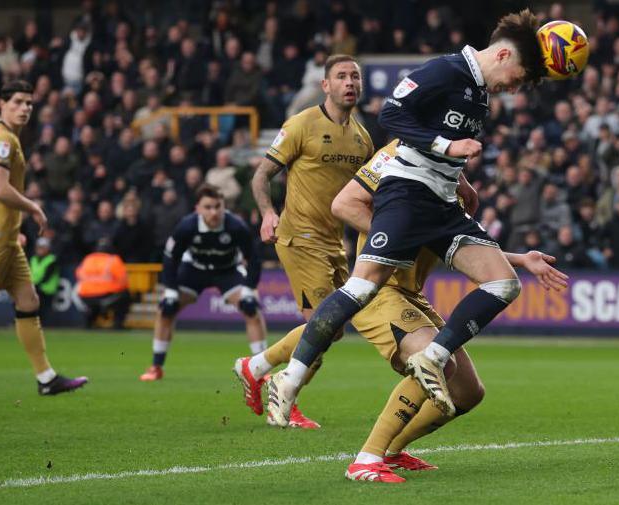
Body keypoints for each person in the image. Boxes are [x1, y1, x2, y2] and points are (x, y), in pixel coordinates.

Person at [265, 10, 548, 427]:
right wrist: (447, 149)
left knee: (504, 282)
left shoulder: (480, 92)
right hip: (407, 192)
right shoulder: (446, 70)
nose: (516, 87)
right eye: (520, 76)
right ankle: (288, 378)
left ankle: (433, 357)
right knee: (361, 288)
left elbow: (443, 139)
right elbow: (392, 115)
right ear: (504, 54)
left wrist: (459, 176)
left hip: (440, 203)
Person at [234, 144, 567, 482]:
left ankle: (393, 451)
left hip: (412, 295)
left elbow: (458, 243)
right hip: (381, 291)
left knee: (469, 391)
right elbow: (345, 204)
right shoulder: (402, 153)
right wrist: (395, 238)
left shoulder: (450, 177)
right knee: (436, 362)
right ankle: (366, 459)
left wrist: (520, 259)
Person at [243, 54, 373, 426]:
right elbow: (260, 176)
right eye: (342, 77)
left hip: (334, 243)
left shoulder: (363, 138)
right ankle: (283, 396)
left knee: (333, 331)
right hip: (299, 235)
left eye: (355, 76)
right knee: (321, 325)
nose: (350, 82)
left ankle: (256, 368)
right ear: (326, 85)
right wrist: (268, 213)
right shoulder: (301, 124)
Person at [0, 80, 87, 394]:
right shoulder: (2, 140)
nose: (24, 108)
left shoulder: (6, 138)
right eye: (18, 102)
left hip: (7, 238)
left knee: (28, 300)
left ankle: (46, 378)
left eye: (29, 103)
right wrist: (32, 207)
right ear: (1, 104)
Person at [139, 184, 264, 381]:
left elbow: (254, 258)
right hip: (194, 270)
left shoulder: (236, 226)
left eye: (217, 206)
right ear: (197, 208)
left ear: (224, 206)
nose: (213, 212)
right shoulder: (186, 226)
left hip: (227, 271)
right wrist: (171, 291)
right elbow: (170, 258)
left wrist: (249, 290)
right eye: (208, 207)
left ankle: (261, 371)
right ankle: (156, 367)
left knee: (252, 310)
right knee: (166, 310)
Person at [75, 239, 130, 329]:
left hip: (85, 295)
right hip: (105, 295)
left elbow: (78, 274)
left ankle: (88, 323)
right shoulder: (114, 260)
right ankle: (117, 324)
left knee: (93, 306)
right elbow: (123, 281)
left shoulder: (88, 258)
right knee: (124, 296)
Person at [29, 237, 60, 322]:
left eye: (42, 247)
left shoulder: (52, 259)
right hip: (34, 289)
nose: (40, 249)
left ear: (48, 248)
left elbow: (47, 276)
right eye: (38, 247)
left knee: (44, 310)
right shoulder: (33, 259)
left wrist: (35, 285)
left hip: (46, 289)